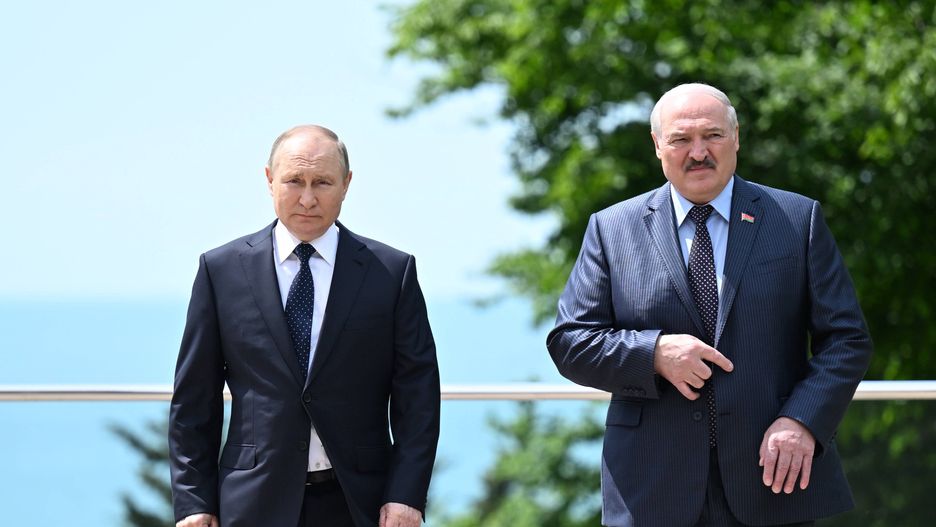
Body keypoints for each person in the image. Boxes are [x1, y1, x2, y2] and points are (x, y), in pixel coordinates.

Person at [547, 83, 872, 527]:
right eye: (681, 139)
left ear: (736, 138)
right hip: (652, 490)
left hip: (772, 481)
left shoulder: (797, 219)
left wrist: (803, 421)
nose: (698, 152)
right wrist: (654, 354)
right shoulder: (611, 229)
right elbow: (570, 342)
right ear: (658, 146)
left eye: (712, 135)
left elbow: (847, 340)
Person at [169, 125, 440, 527]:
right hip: (252, 503)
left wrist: (405, 494)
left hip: (360, 504)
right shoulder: (220, 271)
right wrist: (194, 503)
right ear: (268, 180)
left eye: (323, 182)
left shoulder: (392, 272)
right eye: (294, 181)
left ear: (347, 184)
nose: (308, 198)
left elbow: (418, 396)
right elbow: (194, 400)